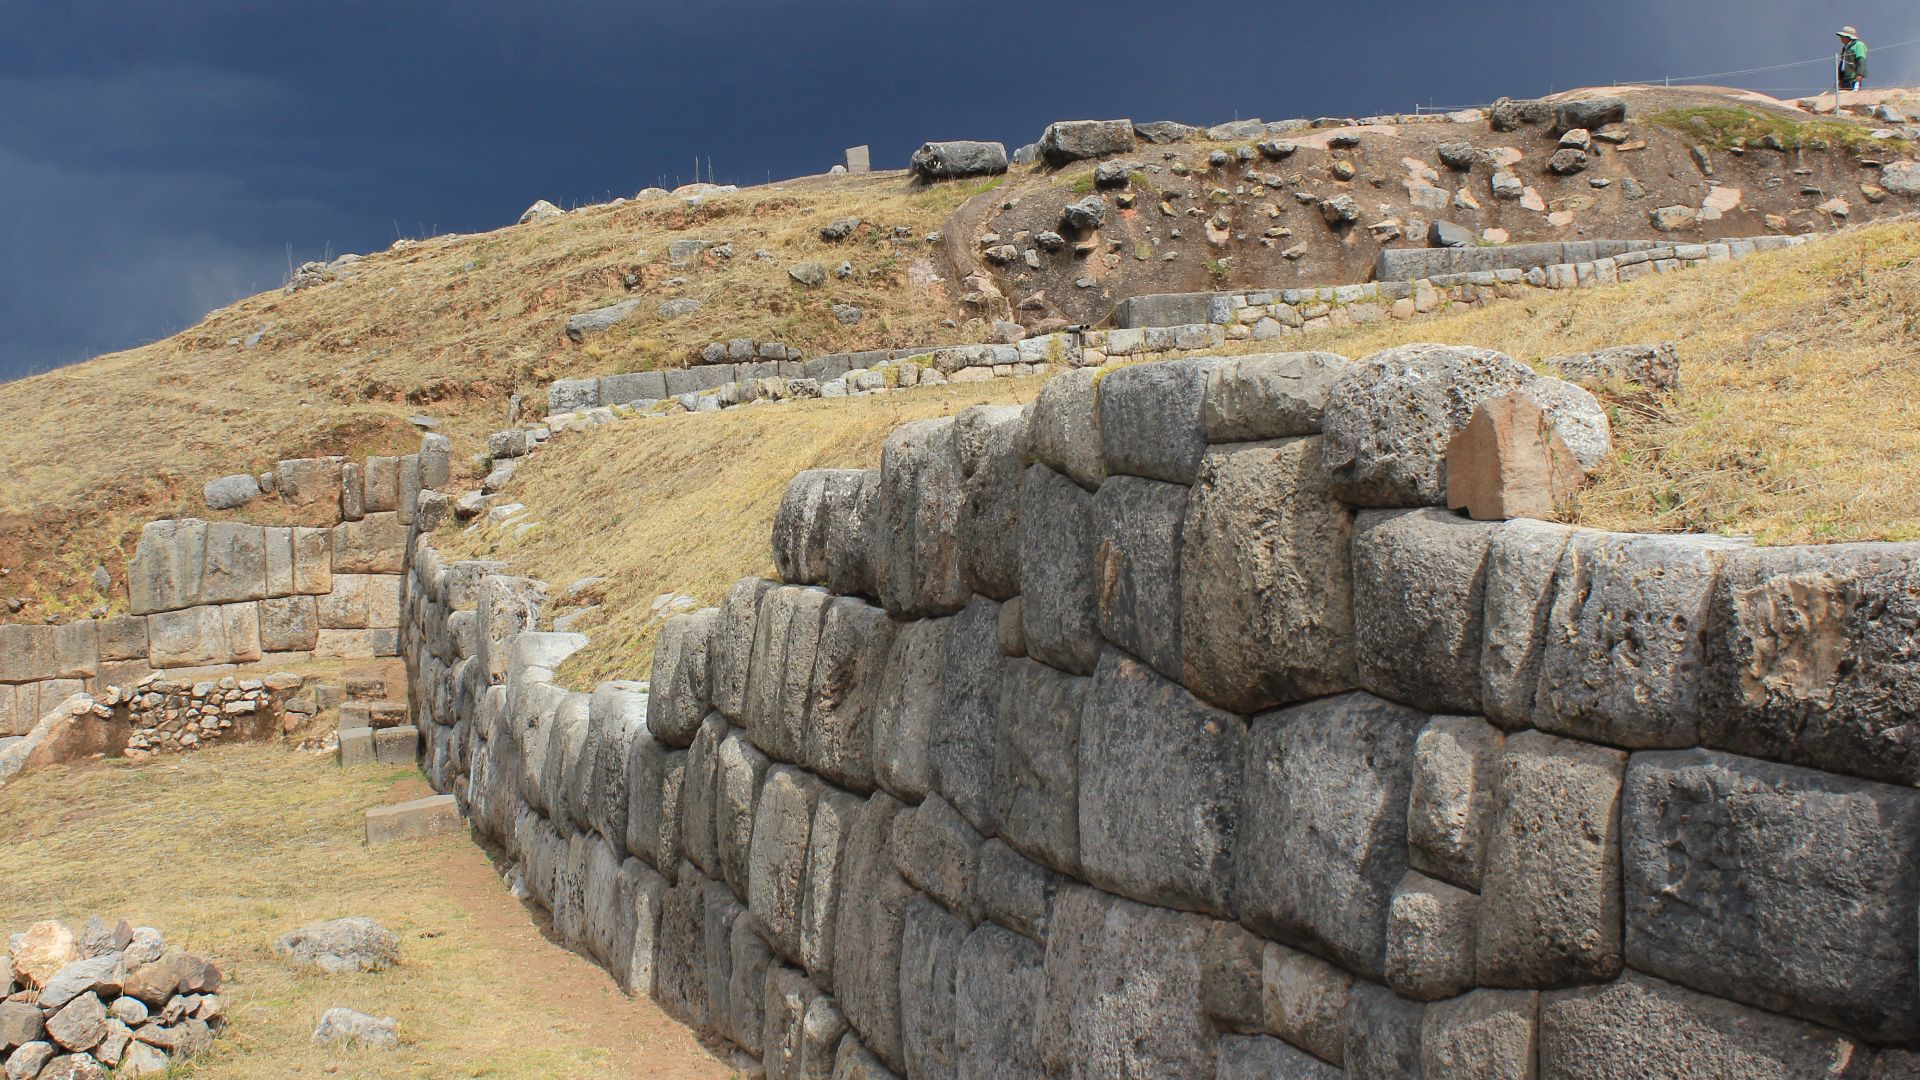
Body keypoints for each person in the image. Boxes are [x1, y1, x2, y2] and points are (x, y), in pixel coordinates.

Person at [1838, 27, 1869, 92]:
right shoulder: (1845, 48)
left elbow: (1861, 60)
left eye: (1842, 36)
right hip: (1844, 78)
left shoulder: (1858, 45)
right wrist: (1839, 78)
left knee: (1851, 95)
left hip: (1853, 78)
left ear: (1848, 37)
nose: (1840, 38)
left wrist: (1859, 75)